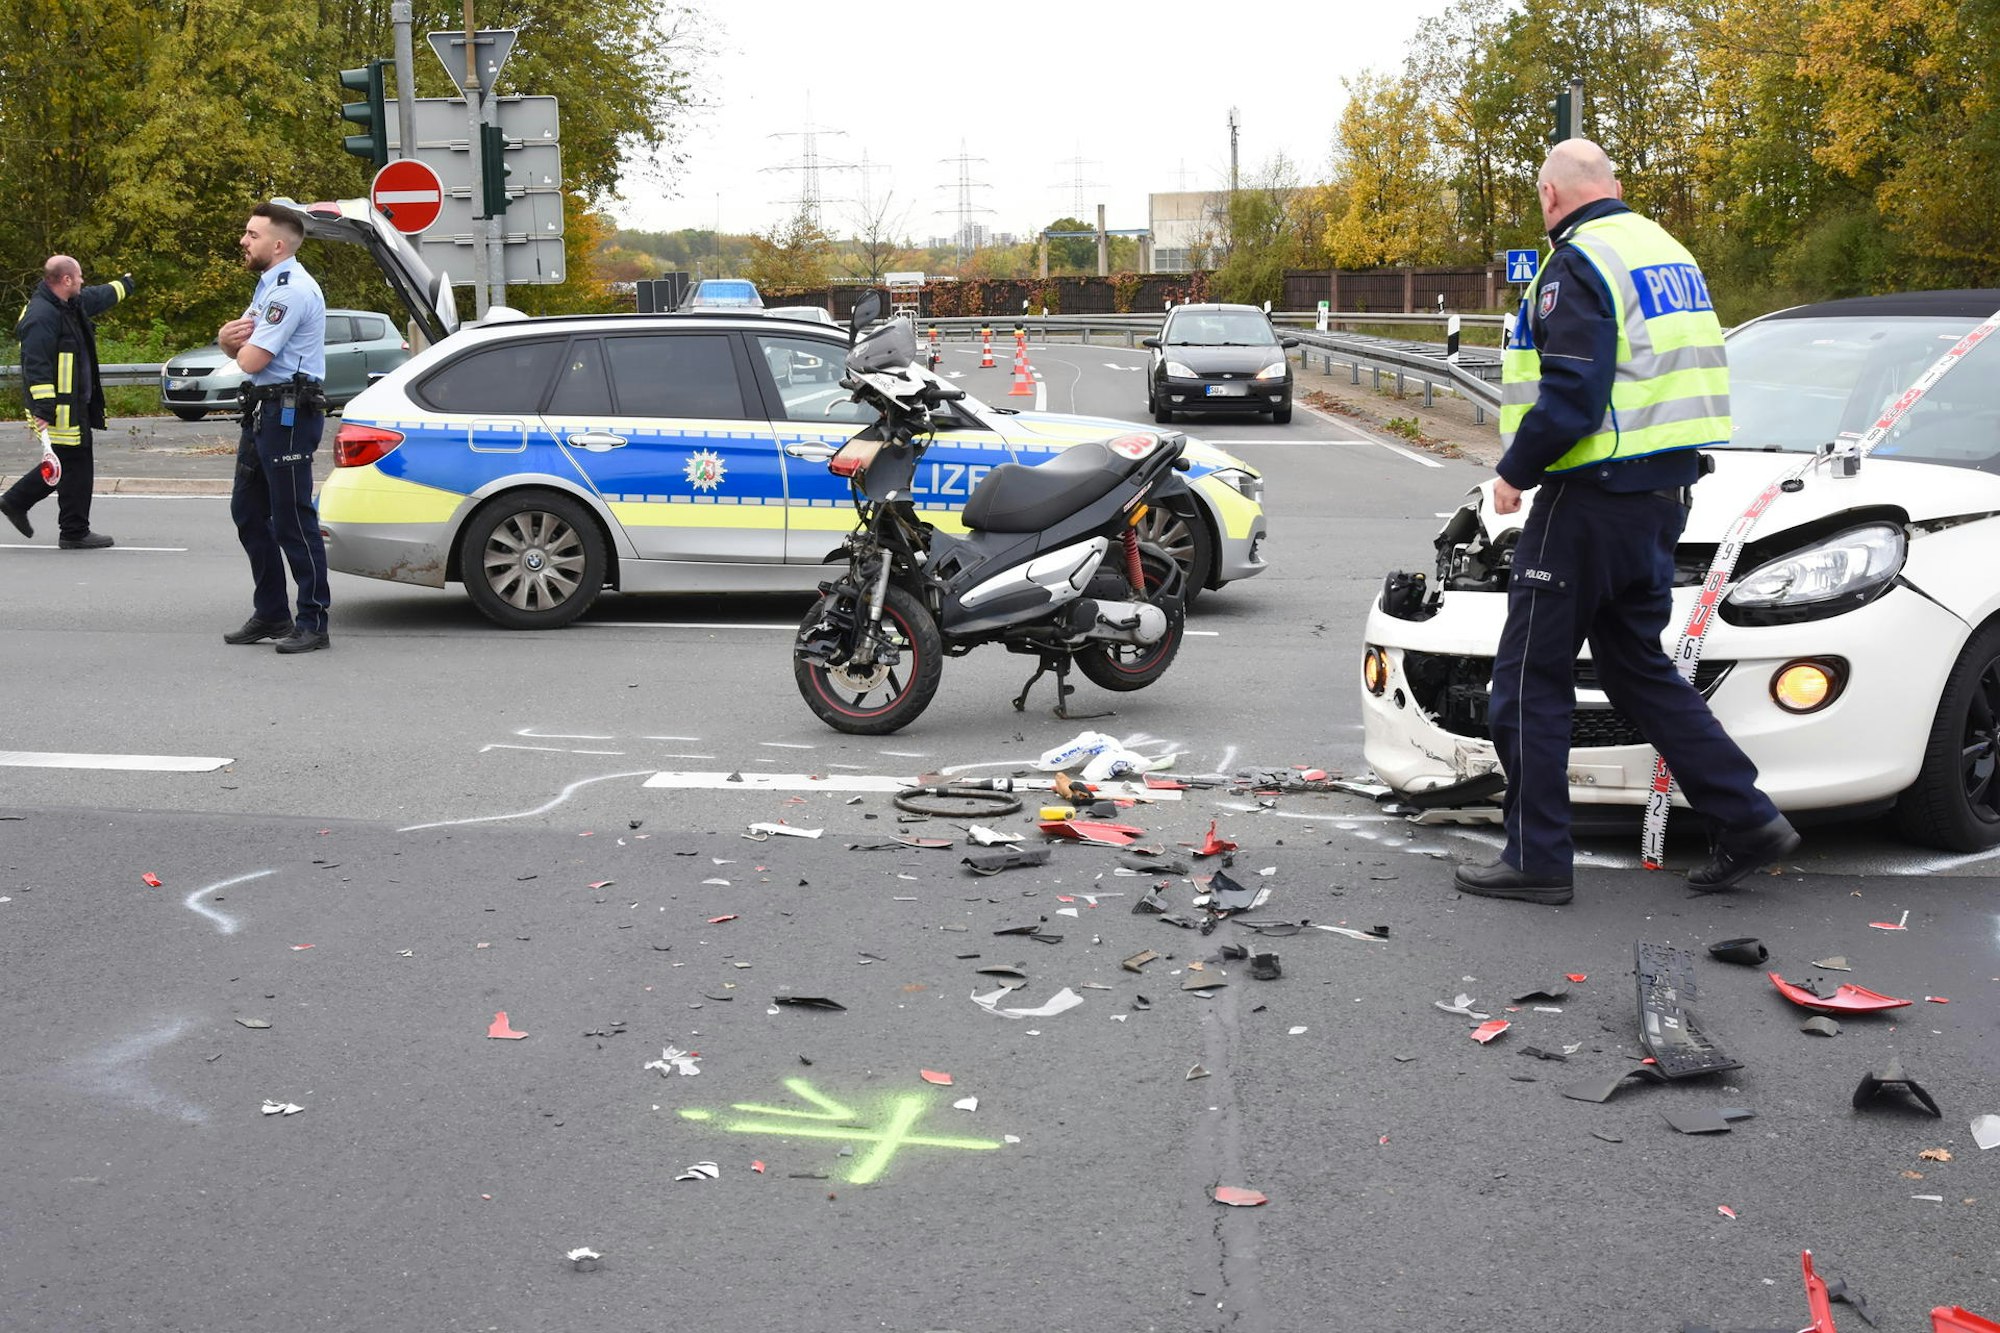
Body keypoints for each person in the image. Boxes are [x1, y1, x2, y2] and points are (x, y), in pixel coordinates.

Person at [1452, 139, 1799, 906]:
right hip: (1662, 499)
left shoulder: (1579, 260)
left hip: (1590, 499)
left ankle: (1537, 856)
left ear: (1550, 195)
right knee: (1635, 667)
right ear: (1612, 184)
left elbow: (1573, 389)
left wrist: (1515, 473)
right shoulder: (1666, 252)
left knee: (1527, 679)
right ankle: (1748, 819)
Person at [217, 202, 331, 654]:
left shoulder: (290, 291)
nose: (244, 241)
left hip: (289, 414)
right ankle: (272, 613)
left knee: (292, 519)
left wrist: (230, 345)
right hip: (265, 411)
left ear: (277, 244)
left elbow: (249, 356)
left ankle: (313, 621)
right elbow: (236, 344)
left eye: (252, 234)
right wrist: (228, 343)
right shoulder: (269, 287)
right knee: (247, 512)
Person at [1, 257, 134, 548]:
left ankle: (67, 526)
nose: (83, 281)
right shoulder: (41, 315)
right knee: (69, 464)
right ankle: (58, 523)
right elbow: (36, 365)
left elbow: (98, 295)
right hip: (56, 407)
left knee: (73, 463)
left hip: (74, 403)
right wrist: (45, 408)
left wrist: (124, 285)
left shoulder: (69, 304)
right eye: (80, 276)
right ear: (66, 280)